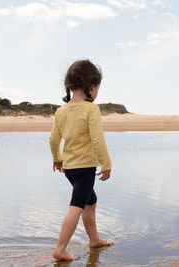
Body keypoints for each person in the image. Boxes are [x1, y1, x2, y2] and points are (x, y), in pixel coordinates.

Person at [49, 59, 113, 261]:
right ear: (91, 86)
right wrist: (107, 164)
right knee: (77, 206)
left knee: (90, 201)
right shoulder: (90, 109)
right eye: (97, 88)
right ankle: (61, 248)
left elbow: (53, 139)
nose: (96, 93)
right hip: (85, 168)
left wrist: (57, 159)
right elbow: (97, 139)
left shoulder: (61, 110)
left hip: (69, 168)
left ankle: (94, 240)